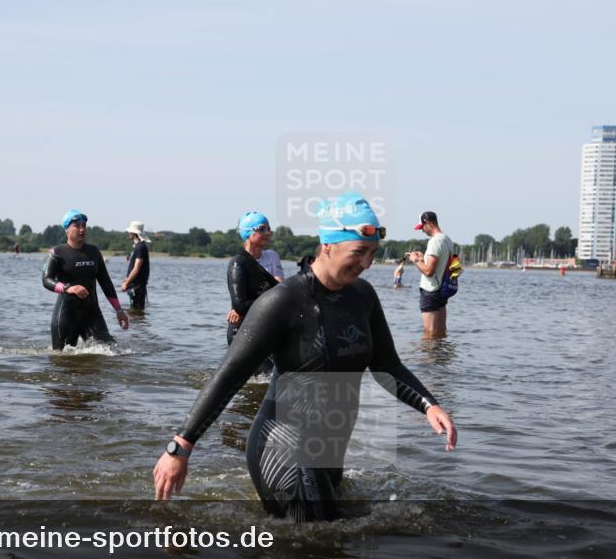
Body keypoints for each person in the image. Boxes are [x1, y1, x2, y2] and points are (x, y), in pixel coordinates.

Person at [154, 192, 457, 522]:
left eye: (372, 253)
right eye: (358, 252)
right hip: (283, 447)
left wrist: (429, 404)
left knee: (332, 543)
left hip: (329, 451)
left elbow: (387, 364)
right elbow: (231, 373)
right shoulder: (282, 301)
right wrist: (180, 446)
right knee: (322, 551)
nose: (367, 263)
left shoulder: (363, 296)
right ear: (328, 245)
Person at [42, 209, 129, 350]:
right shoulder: (56, 253)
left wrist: (119, 310)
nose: (82, 229)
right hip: (66, 316)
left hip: (92, 314)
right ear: (67, 229)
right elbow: (46, 280)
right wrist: (67, 288)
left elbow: (106, 282)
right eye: (77, 225)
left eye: (84, 225)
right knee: (62, 361)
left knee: (110, 350)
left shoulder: (93, 252)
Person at [225, 211, 283, 353]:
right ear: (247, 233)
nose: (268, 233)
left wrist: (245, 305)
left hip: (268, 325)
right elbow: (240, 306)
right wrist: (240, 308)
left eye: (269, 229)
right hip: (243, 330)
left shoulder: (272, 256)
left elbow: (280, 291)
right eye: (262, 229)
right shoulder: (238, 264)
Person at [407, 211, 454, 338]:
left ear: (428, 223)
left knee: (429, 333)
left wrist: (415, 260)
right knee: (440, 332)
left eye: (422, 227)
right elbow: (445, 266)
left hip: (431, 291)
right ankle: (440, 357)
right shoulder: (447, 240)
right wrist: (423, 259)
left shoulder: (434, 242)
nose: (422, 231)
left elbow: (429, 271)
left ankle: (428, 357)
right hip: (442, 290)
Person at [120, 220, 151, 311]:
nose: (128, 233)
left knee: (136, 315)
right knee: (136, 315)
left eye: (130, 231)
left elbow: (136, 269)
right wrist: (127, 278)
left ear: (134, 233)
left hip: (138, 287)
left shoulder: (140, 247)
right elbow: (133, 267)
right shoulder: (138, 247)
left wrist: (126, 283)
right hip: (135, 286)